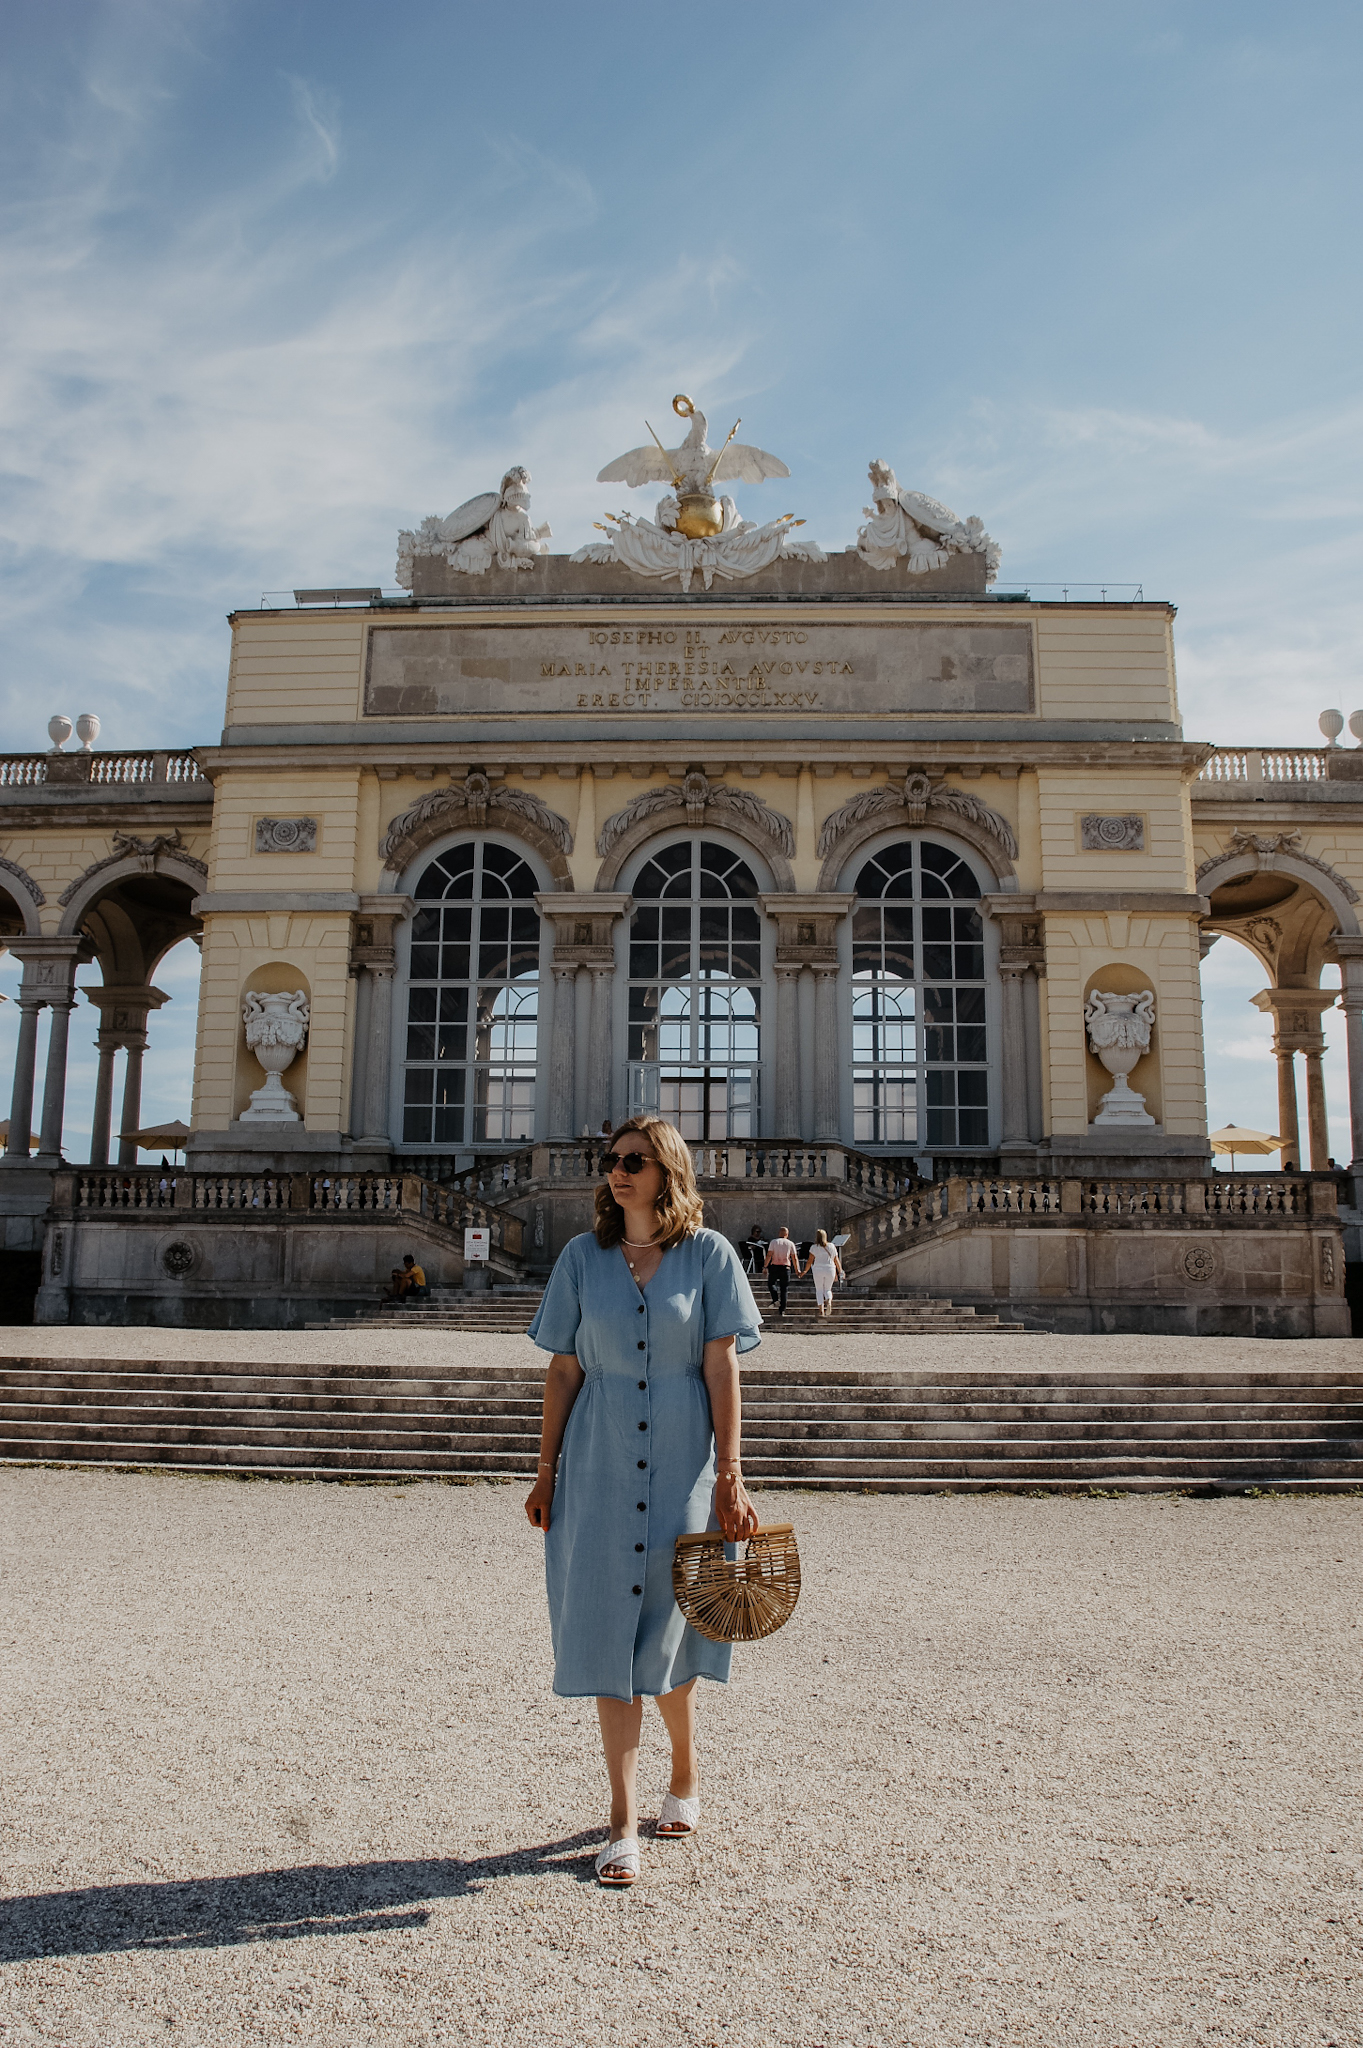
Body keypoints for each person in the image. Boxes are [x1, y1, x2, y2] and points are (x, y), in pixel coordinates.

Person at [523, 1115, 762, 1888]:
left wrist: (732, 1472)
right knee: (606, 1640)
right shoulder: (579, 1257)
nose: (616, 1172)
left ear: (667, 1171)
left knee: (669, 1635)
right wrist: (545, 1471)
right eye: (610, 1161)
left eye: (633, 1161)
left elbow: (722, 1367)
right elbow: (562, 1372)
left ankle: (684, 1774)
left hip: (685, 1463)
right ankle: (621, 1821)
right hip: (596, 1465)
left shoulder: (709, 1256)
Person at [803, 1229, 844, 1318]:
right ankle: (829, 1301)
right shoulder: (832, 1246)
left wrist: (805, 1271)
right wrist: (840, 1271)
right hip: (830, 1268)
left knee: (819, 1290)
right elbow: (836, 1260)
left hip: (818, 1269)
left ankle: (821, 1311)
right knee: (828, 1289)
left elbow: (810, 1261)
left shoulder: (814, 1247)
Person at [763, 1226, 798, 1316]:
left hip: (774, 1266)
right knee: (784, 1289)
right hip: (785, 1267)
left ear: (779, 1233)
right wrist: (797, 1270)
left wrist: (765, 1266)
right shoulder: (790, 1244)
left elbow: (769, 1255)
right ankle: (782, 1310)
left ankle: (775, 1299)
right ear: (787, 1234)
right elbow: (794, 1258)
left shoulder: (774, 1242)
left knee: (771, 1283)